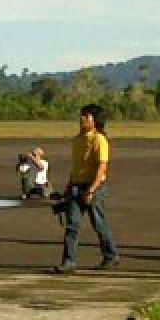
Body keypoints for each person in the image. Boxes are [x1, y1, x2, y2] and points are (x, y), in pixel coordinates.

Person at [53, 104, 120, 273]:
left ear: (95, 120)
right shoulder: (77, 140)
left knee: (99, 223)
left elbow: (102, 167)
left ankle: (111, 255)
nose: (82, 118)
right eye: (82, 115)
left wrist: (91, 190)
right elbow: (76, 167)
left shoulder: (99, 139)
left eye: (86, 116)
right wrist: (69, 188)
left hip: (93, 186)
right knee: (72, 225)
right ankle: (69, 262)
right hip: (76, 186)